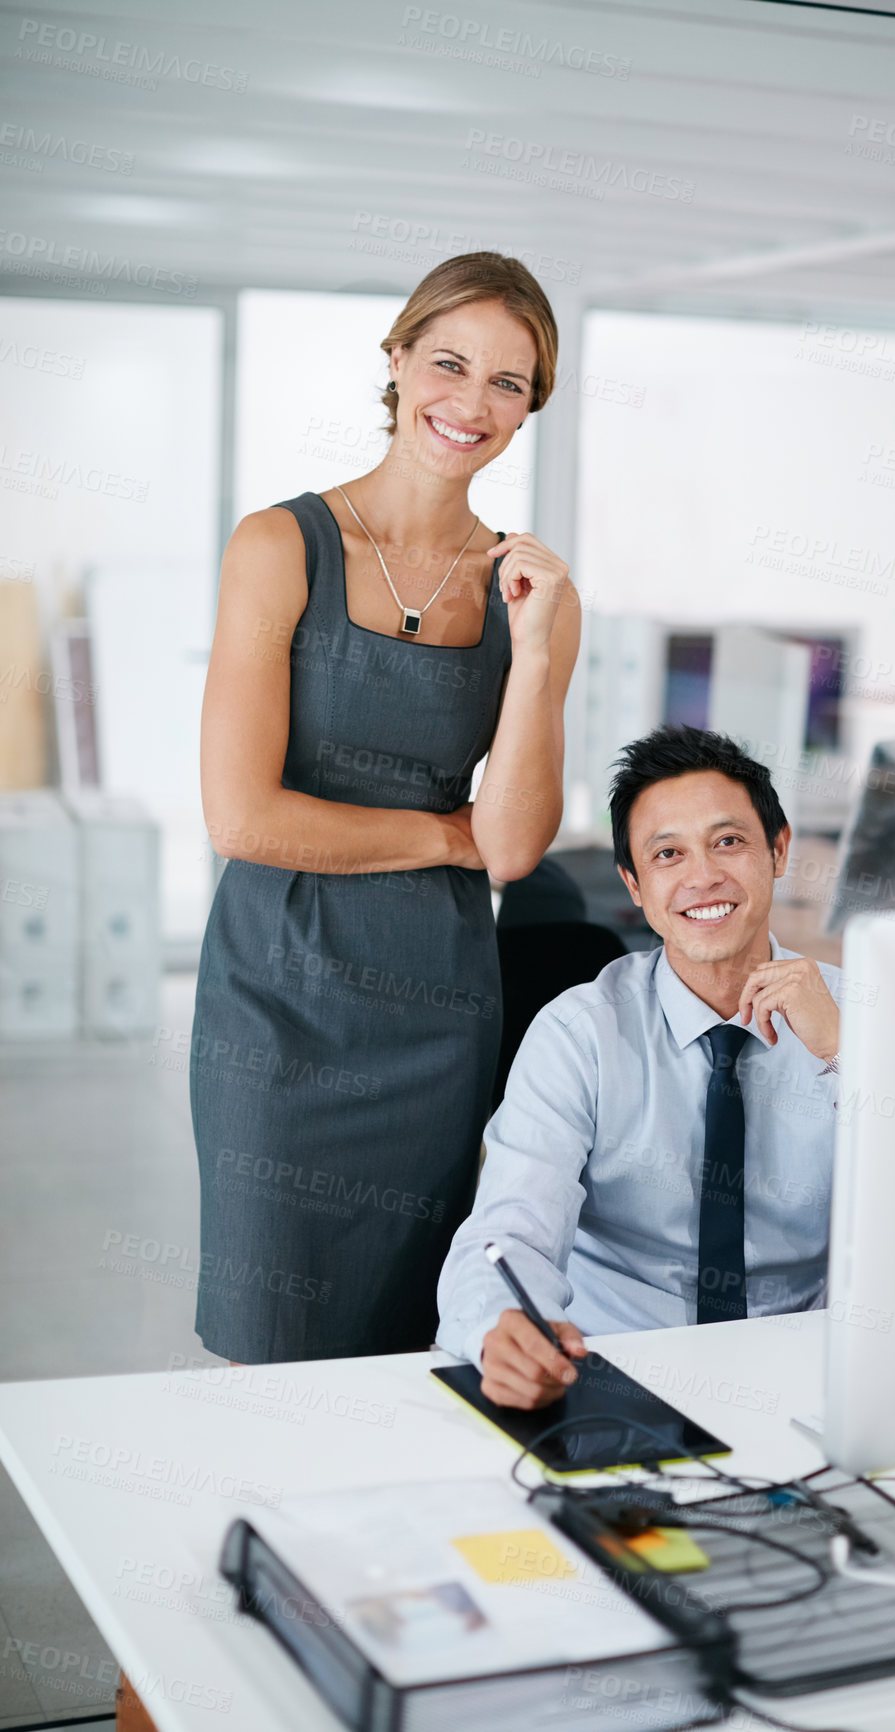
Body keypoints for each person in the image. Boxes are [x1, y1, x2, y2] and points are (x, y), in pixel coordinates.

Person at [192, 253, 580, 1363]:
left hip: (436, 1011)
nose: (471, 403)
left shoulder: (530, 598)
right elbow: (242, 819)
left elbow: (507, 846)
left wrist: (543, 647)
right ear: (398, 360)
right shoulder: (280, 547)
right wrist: (439, 835)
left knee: (418, 1340)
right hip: (277, 1006)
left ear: (529, 407)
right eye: (449, 363)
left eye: (508, 383)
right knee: (269, 1339)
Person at [436, 724, 841, 1409]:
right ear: (635, 883)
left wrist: (845, 1053)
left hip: (807, 1367)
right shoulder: (580, 1033)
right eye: (667, 854)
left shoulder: (859, 1017)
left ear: (778, 850)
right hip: (614, 1366)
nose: (702, 876)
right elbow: (511, 1227)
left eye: (729, 841)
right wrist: (499, 1329)